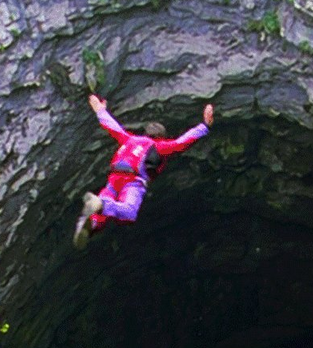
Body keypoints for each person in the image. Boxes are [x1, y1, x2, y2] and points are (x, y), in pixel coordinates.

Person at [73, 94, 214, 249]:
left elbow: (110, 125)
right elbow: (181, 143)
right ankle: (101, 204)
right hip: (133, 181)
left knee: (102, 216)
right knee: (128, 212)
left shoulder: (128, 139)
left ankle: (90, 224)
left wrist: (100, 110)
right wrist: (204, 126)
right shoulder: (158, 146)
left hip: (114, 179)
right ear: (161, 137)